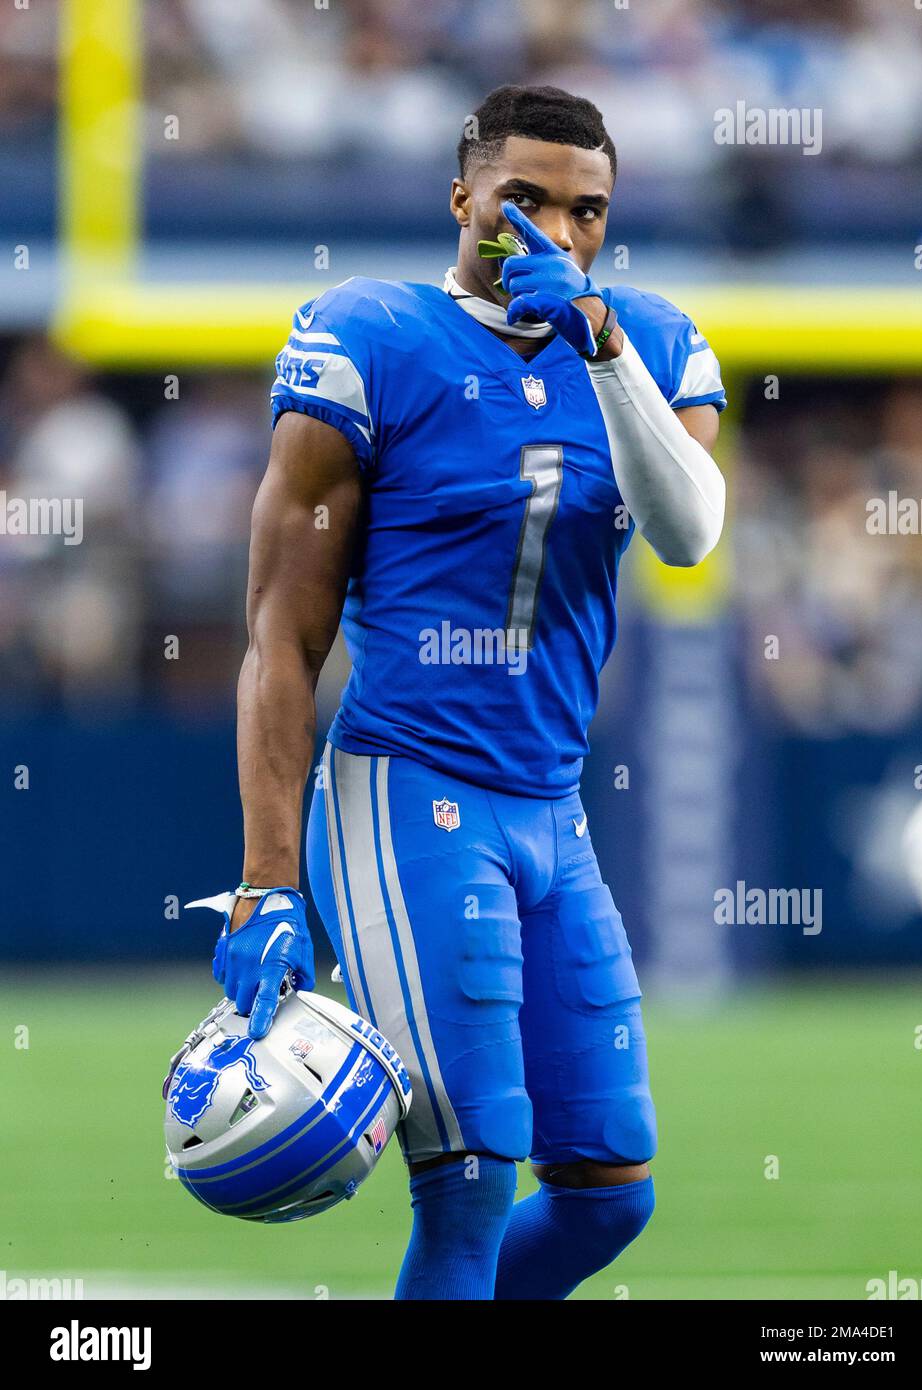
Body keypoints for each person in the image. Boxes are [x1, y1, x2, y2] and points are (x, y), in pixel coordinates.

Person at [216, 84, 726, 1299]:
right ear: (462, 198)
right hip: (409, 790)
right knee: (470, 1181)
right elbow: (282, 637)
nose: (556, 231)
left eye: (586, 209)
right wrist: (266, 879)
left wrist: (597, 344)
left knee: (610, 1195)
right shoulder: (375, 340)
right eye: (525, 201)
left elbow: (691, 532)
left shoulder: (649, 341)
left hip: (552, 802)